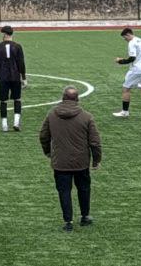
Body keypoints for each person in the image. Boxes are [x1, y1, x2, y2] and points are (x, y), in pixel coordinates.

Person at [39, 85, 102, 232]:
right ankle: (85, 216)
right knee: (84, 188)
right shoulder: (86, 116)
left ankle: (68, 221)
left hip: (60, 162)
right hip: (81, 162)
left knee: (64, 191)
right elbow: (95, 142)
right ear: (78, 99)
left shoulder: (52, 115)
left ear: (63, 98)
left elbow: (43, 136)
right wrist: (96, 160)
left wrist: (48, 152)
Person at [112, 27, 141, 119]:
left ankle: (125, 112)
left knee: (126, 89)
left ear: (128, 35)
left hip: (136, 69)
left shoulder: (132, 43)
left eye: (125, 37)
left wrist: (120, 61)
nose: (125, 40)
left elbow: (132, 58)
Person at [0, 25, 25, 131]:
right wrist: (23, 77)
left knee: (3, 101)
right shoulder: (18, 46)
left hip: (3, 77)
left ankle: (4, 125)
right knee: (17, 99)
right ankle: (16, 122)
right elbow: (21, 63)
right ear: (12, 34)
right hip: (15, 77)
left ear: (5, 34)